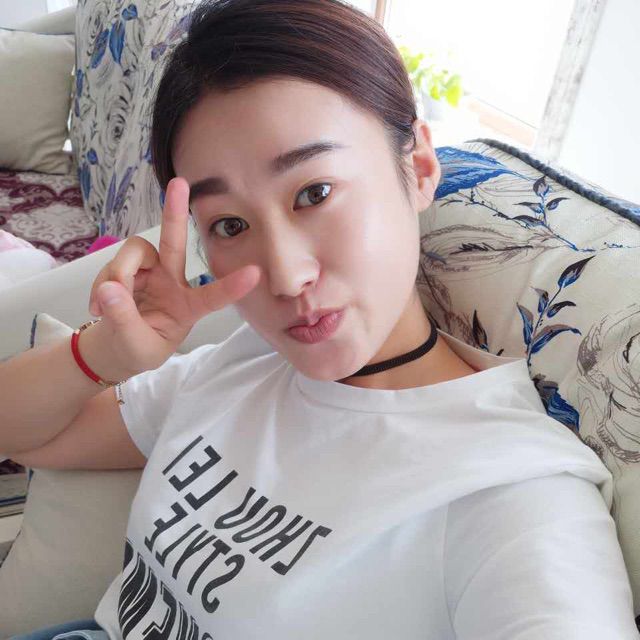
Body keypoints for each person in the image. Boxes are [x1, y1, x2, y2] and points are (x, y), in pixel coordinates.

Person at [3, 0, 637, 638]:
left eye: (315, 193)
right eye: (230, 225)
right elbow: (23, 434)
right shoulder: (246, 364)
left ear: (418, 167)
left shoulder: (510, 493)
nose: (286, 276)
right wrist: (107, 356)